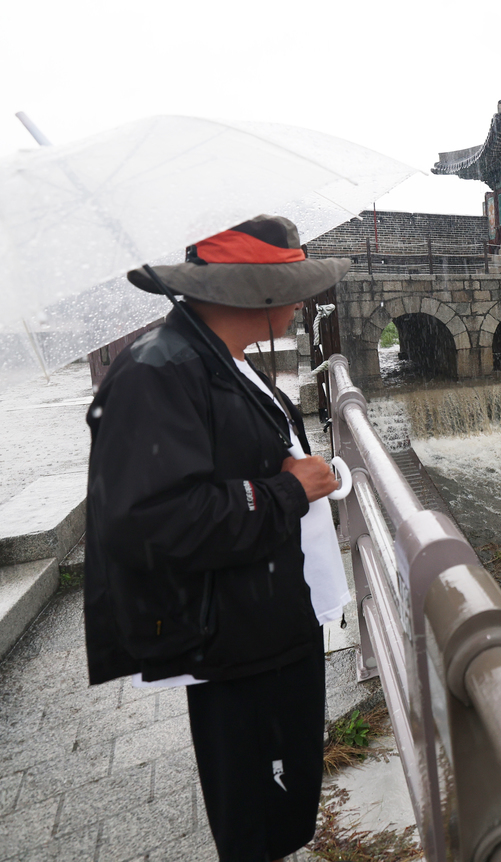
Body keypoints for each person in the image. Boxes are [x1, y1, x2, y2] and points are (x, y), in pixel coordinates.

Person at [84, 215, 353, 861]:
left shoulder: (216, 359)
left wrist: (295, 480)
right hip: (233, 632)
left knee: (287, 799)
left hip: (269, 612)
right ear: (257, 293)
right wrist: (289, 491)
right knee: (258, 811)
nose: (302, 302)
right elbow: (148, 519)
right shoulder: (159, 371)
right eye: (295, 286)